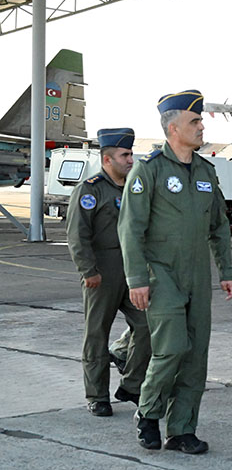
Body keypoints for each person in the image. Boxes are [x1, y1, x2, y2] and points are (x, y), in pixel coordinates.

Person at [119, 90, 232, 454]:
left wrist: (226, 270)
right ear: (173, 128)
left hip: (197, 275)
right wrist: (137, 279)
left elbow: (219, 225)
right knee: (171, 348)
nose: (202, 127)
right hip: (161, 273)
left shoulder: (206, 171)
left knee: (196, 353)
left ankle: (182, 429)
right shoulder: (149, 170)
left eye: (200, 121)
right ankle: (149, 412)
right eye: (195, 121)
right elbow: (130, 228)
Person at [66, 128, 151, 417]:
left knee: (148, 326)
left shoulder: (134, 187)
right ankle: (97, 395)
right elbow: (78, 235)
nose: (130, 159)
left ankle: (132, 385)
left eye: (130, 154)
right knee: (97, 335)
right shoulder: (90, 189)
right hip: (101, 272)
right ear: (107, 159)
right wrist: (87, 270)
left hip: (133, 272)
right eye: (124, 155)